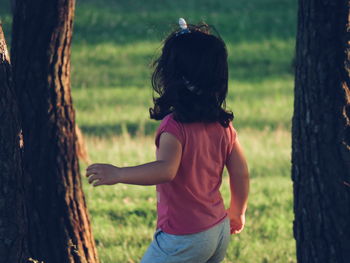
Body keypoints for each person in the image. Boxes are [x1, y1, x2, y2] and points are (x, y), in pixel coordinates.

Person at [86, 18, 250, 263]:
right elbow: (240, 171)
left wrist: (119, 173)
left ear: (169, 76)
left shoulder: (174, 127)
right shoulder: (222, 124)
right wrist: (238, 211)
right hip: (217, 230)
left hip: (184, 238)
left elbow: (166, 170)